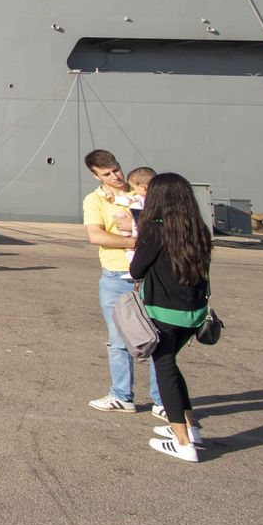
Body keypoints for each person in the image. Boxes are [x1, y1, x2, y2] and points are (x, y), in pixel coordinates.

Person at [130, 173, 212, 462]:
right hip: (193, 314)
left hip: (162, 311)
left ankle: (183, 443)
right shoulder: (199, 230)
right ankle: (190, 427)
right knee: (171, 367)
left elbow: (136, 269)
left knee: (164, 369)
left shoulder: (155, 229)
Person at [82, 149, 164, 416]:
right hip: (116, 275)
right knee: (118, 339)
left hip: (151, 274)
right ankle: (121, 395)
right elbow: (96, 236)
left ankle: (163, 401)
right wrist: (139, 241)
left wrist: (138, 236)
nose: (115, 176)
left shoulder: (144, 191)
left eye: (116, 170)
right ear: (95, 176)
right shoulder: (94, 200)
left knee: (160, 338)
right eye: (106, 174)